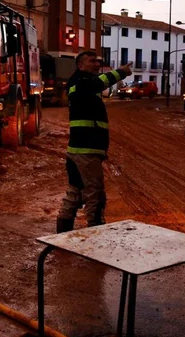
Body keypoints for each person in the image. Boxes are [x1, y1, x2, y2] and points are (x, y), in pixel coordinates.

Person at [56, 52, 132, 233]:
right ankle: (96, 235)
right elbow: (98, 83)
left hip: (80, 150)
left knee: (75, 192)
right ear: (80, 65)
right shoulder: (82, 83)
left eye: (98, 61)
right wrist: (120, 72)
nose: (97, 64)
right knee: (95, 195)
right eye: (92, 61)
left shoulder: (81, 83)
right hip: (85, 151)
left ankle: (62, 235)